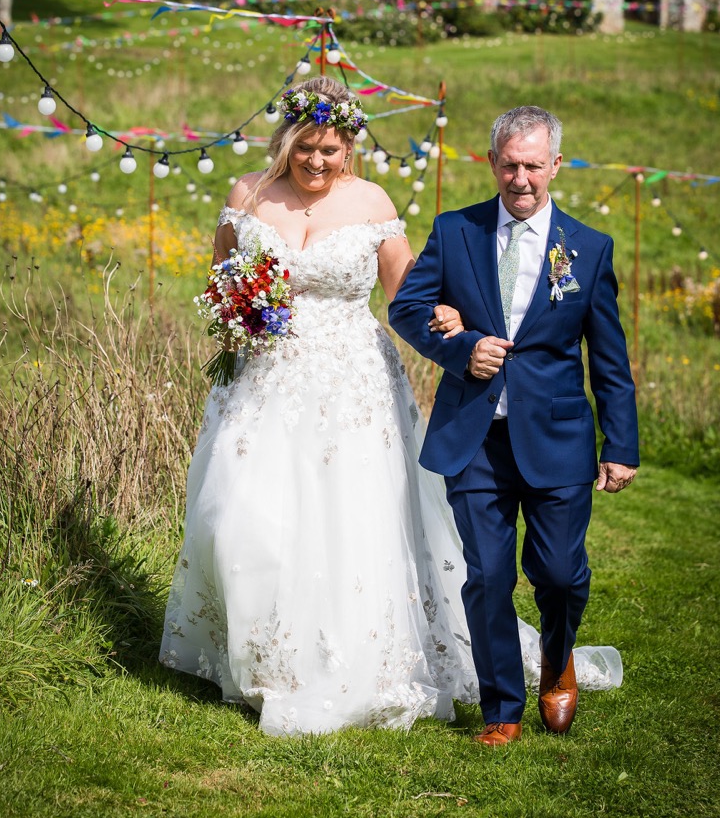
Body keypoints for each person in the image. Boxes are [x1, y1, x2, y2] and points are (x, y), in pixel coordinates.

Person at [160, 83, 623, 737]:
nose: (317, 161)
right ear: (284, 141)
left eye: (330, 149)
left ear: (348, 145)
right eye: (305, 149)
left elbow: (406, 289)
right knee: (236, 515)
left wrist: (448, 321)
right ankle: (258, 657)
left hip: (351, 381)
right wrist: (237, 311)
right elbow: (220, 277)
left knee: (350, 524)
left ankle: (378, 660)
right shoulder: (245, 195)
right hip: (262, 379)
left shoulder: (371, 202)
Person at [389, 105, 638, 747]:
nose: (520, 178)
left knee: (557, 573)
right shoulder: (456, 231)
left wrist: (622, 444)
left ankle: (558, 658)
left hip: (557, 438)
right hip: (474, 437)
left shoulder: (588, 248)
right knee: (490, 574)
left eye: (533, 164)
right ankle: (502, 709)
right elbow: (407, 307)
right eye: (509, 164)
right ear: (491, 162)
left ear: (556, 164)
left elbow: (608, 359)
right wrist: (459, 347)